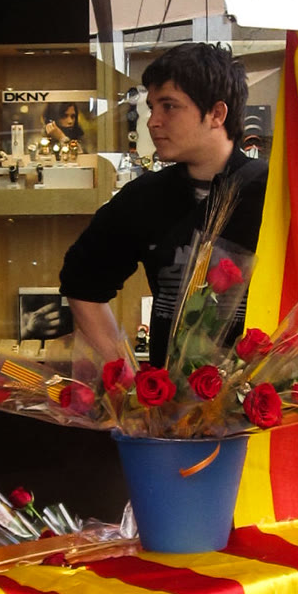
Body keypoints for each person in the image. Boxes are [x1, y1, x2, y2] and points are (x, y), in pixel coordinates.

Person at [60, 43, 267, 366]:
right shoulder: (144, 197)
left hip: (267, 393)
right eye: (151, 107)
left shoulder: (272, 194)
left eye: (169, 106)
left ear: (217, 114)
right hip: (170, 393)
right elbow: (81, 280)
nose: (152, 122)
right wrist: (126, 377)